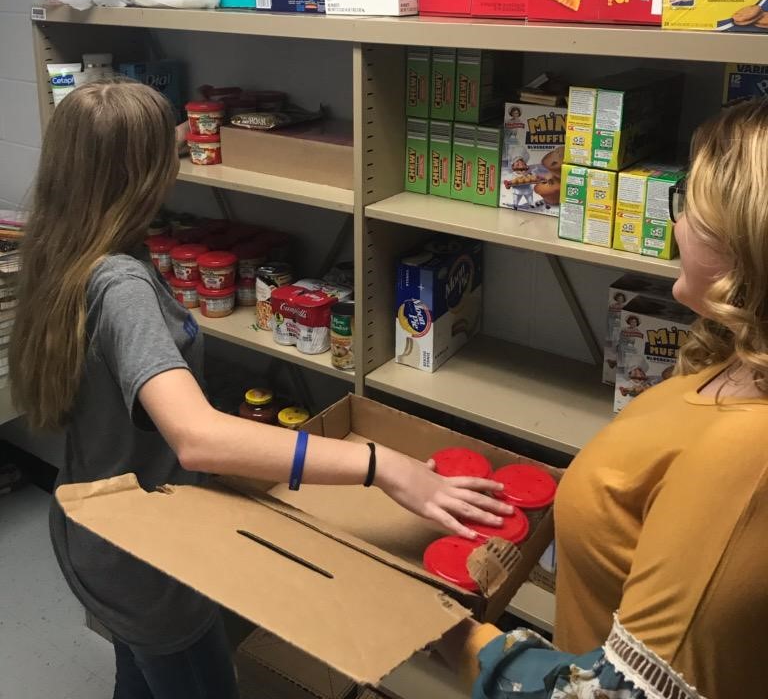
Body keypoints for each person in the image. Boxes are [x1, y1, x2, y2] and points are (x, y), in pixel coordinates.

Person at [9, 81, 510, 699]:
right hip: (149, 559)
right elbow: (196, 439)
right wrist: (383, 466)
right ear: (142, 174)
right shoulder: (121, 287)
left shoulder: (57, 251)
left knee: (137, 679)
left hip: (92, 528)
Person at [441, 98, 768, 699]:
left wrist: (442, 630)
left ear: (743, 246)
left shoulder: (749, 457)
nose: (672, 225)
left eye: (686, 208)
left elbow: (612, 695)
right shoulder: (733, 367)